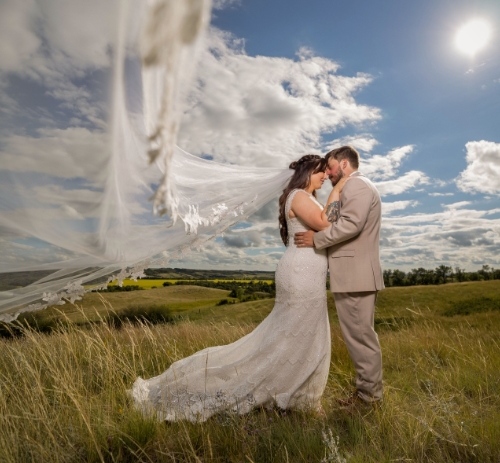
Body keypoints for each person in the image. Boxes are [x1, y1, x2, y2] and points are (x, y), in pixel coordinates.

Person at [129, 154, 346, 422]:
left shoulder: (307, 197)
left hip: (308, 273)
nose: (325, 176)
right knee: (292, 335)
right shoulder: (299, 195)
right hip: (300, 274)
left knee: (297, 336)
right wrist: (337, 190)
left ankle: (295, 394)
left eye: (327, 172)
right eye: (320, 171)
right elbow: (326, 223)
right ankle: (286, 394)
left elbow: (324, 225)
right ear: (306, 172)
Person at [294, 146, 384, 406]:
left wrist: (317, 239)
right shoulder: (352, 187)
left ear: (344, 164)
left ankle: (368, 399)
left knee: (360, 339)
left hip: (356, 276)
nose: (328, 173)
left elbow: (351, 224)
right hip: (355, 274)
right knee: (360, 337)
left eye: (331, 167)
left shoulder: (357, 186)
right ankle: (367, 394)